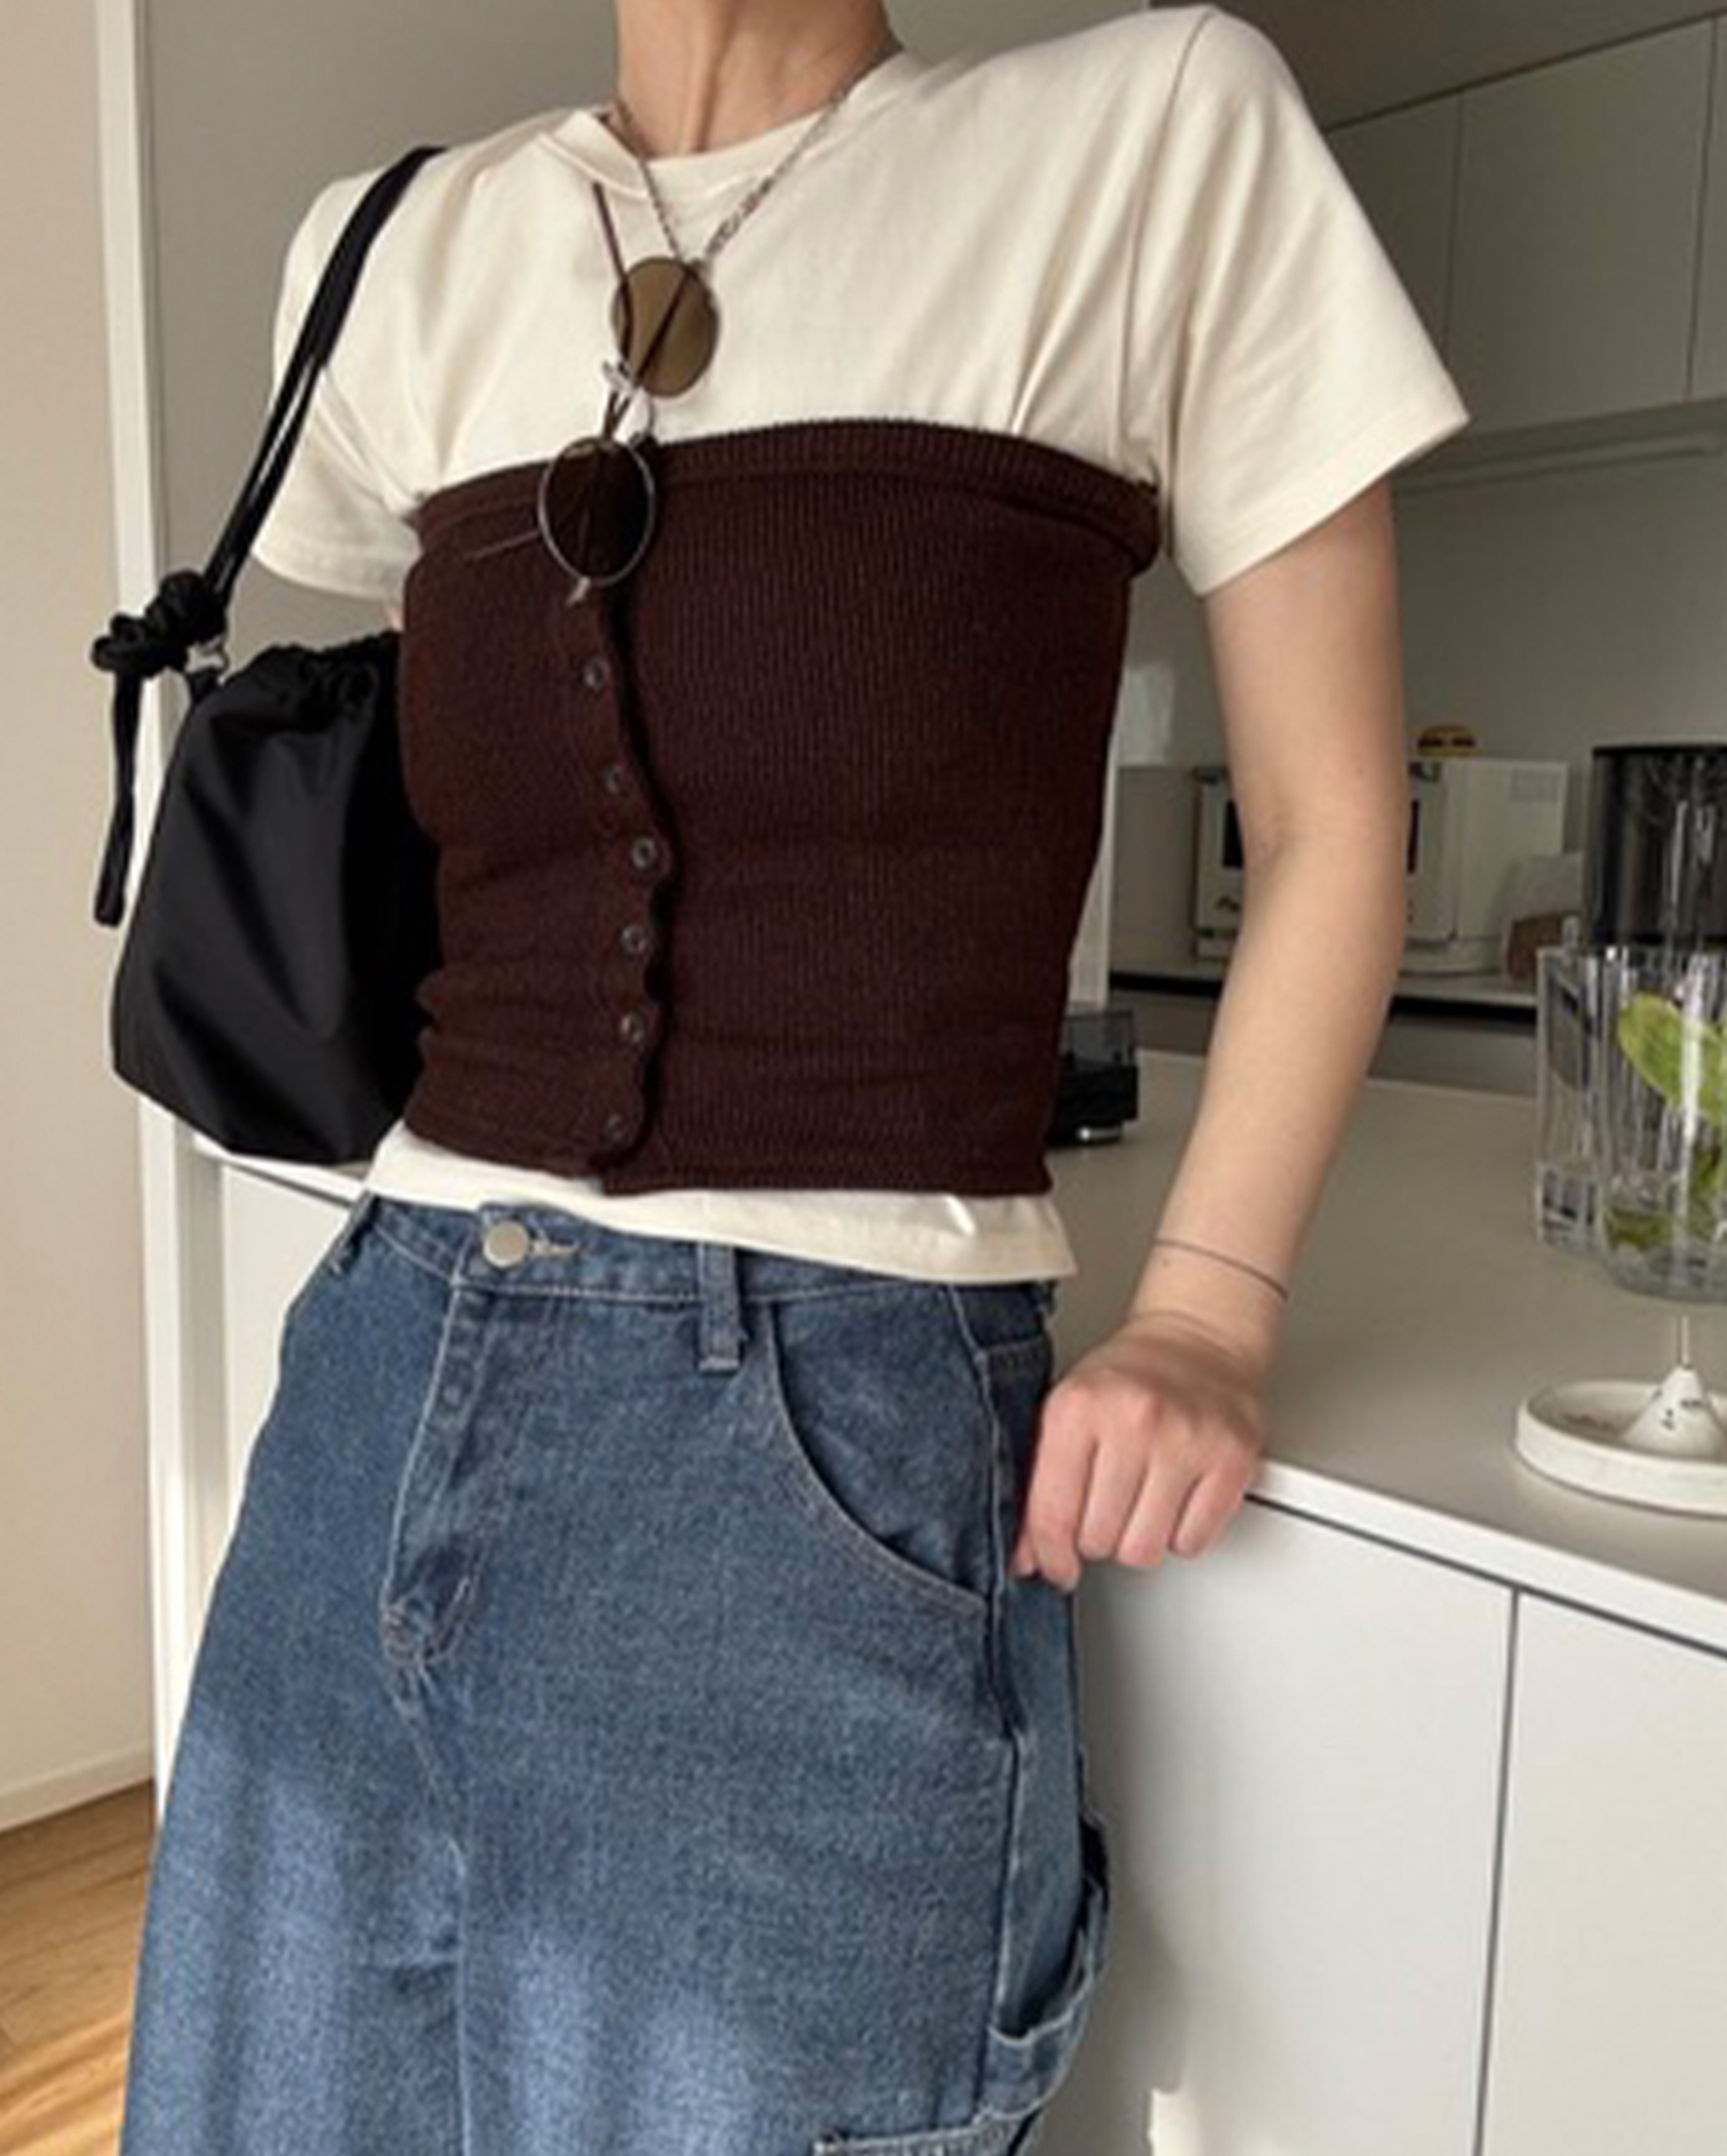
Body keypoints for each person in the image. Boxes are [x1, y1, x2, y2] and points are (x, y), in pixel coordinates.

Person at [116, 4, 1468, 2152]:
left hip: (825, 1437)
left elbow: (1329, 822)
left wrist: (1210, 1307)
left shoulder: (1149, 137)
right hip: (379, 1379)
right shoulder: (396, 249)